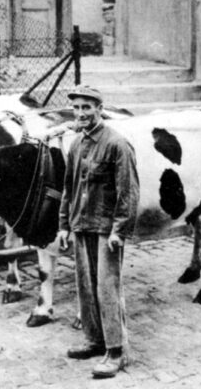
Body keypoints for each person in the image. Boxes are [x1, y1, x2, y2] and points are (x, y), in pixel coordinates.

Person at [58, 85, 139, 379]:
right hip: (81, 226)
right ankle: (94, 341)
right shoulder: (76, 144)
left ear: (99, 108)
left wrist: (120, 230)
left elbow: (128, 192)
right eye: (76, 108)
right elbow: (69, 188)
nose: (80, 113)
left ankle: (116, 351)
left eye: (86, 107)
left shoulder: (117, 143)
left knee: (107, 289)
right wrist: (64, 225)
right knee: (86, 287)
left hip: (107, 230)